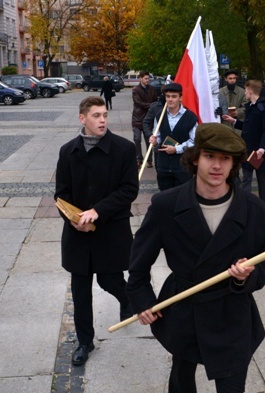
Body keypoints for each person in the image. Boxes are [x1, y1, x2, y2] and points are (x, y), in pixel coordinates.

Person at [126, 122, 265, 393]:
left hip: (231, 311)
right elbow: (138, 264)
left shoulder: (256, 211)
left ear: (234, 164)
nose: (217, 166)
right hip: (182, 304)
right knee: (183, 367)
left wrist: (248, 277)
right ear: (195, 159)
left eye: (225, 159)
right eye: (210, 156)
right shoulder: (166, 206)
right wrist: (141, 299)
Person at [55, 96, 139, 366]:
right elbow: (61, 194)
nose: (102, 120)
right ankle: (84, 342)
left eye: (104, 115)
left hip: (110, 232)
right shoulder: (68, 151)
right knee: (81, 291)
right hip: (78, 235)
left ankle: (126, 299)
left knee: (109, 280)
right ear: (83, 119)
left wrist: (98, 211)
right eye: (96, 115)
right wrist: (71, 217)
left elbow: (129, 189)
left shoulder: (124, 149)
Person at [222, 79, 265, 204]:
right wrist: (233, 121)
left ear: (250, 91)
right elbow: (248, 126)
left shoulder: (263, 107)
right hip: (248, 148)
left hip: (258, 150)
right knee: (246, 177)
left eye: (246, 91)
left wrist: (262, 148)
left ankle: (263, 204)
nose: (244, 93)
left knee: (261, 178)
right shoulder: (250, 106)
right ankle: (245, 203)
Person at [147, 82, 198, 191]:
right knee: (165, 197)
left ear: (181, 98)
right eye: (168, 96)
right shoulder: (159, 115)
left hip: (182, 166)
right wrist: (155, 141)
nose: (170, 99)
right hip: (164, 166)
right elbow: (159, 136)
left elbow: (194, 141)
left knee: (182, 198)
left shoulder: (190, 117)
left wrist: (177, 149)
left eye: (174, 96)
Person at [132, 70, 158, 168]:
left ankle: (149, 160)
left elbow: (156, 101)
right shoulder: (135, 90)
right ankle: (139, 159)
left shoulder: (152, 89)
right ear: (141, 79)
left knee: (149, 140)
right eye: (146, 78)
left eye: (148, 78)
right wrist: (152, 106)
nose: (148, 80)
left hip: (148, 119)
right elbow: (139, 103)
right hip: (137, 119)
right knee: (137, 139)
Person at [142, 93, 165, 171]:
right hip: (158, 144)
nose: (170, 99)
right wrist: (150, 135)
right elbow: (146, 122)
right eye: (168, 96)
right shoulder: (155, 107)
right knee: (160, 171)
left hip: (174, 146)